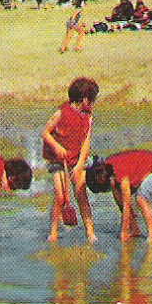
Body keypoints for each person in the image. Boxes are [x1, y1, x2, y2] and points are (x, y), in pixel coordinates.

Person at [41, 77, 100, 242]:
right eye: (92, 99)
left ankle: (90, 233)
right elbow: (45, 133)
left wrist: (80, 165)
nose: (93, 103)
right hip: (59, 161)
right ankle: (53, 234)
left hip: (77, 160)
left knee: (81, 195)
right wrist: (57, 147)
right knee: (60, 197)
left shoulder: (88, 118)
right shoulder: (61, 112)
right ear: (85, 99)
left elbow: (86, 143)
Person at [86, 149, 152, 244]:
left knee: (140, 199)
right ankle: (135, 229)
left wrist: (124, 232)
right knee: (119, 197)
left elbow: (127, 205)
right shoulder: (107, 168)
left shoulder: (122, 176)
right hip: (138, 167)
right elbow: (121, 204)